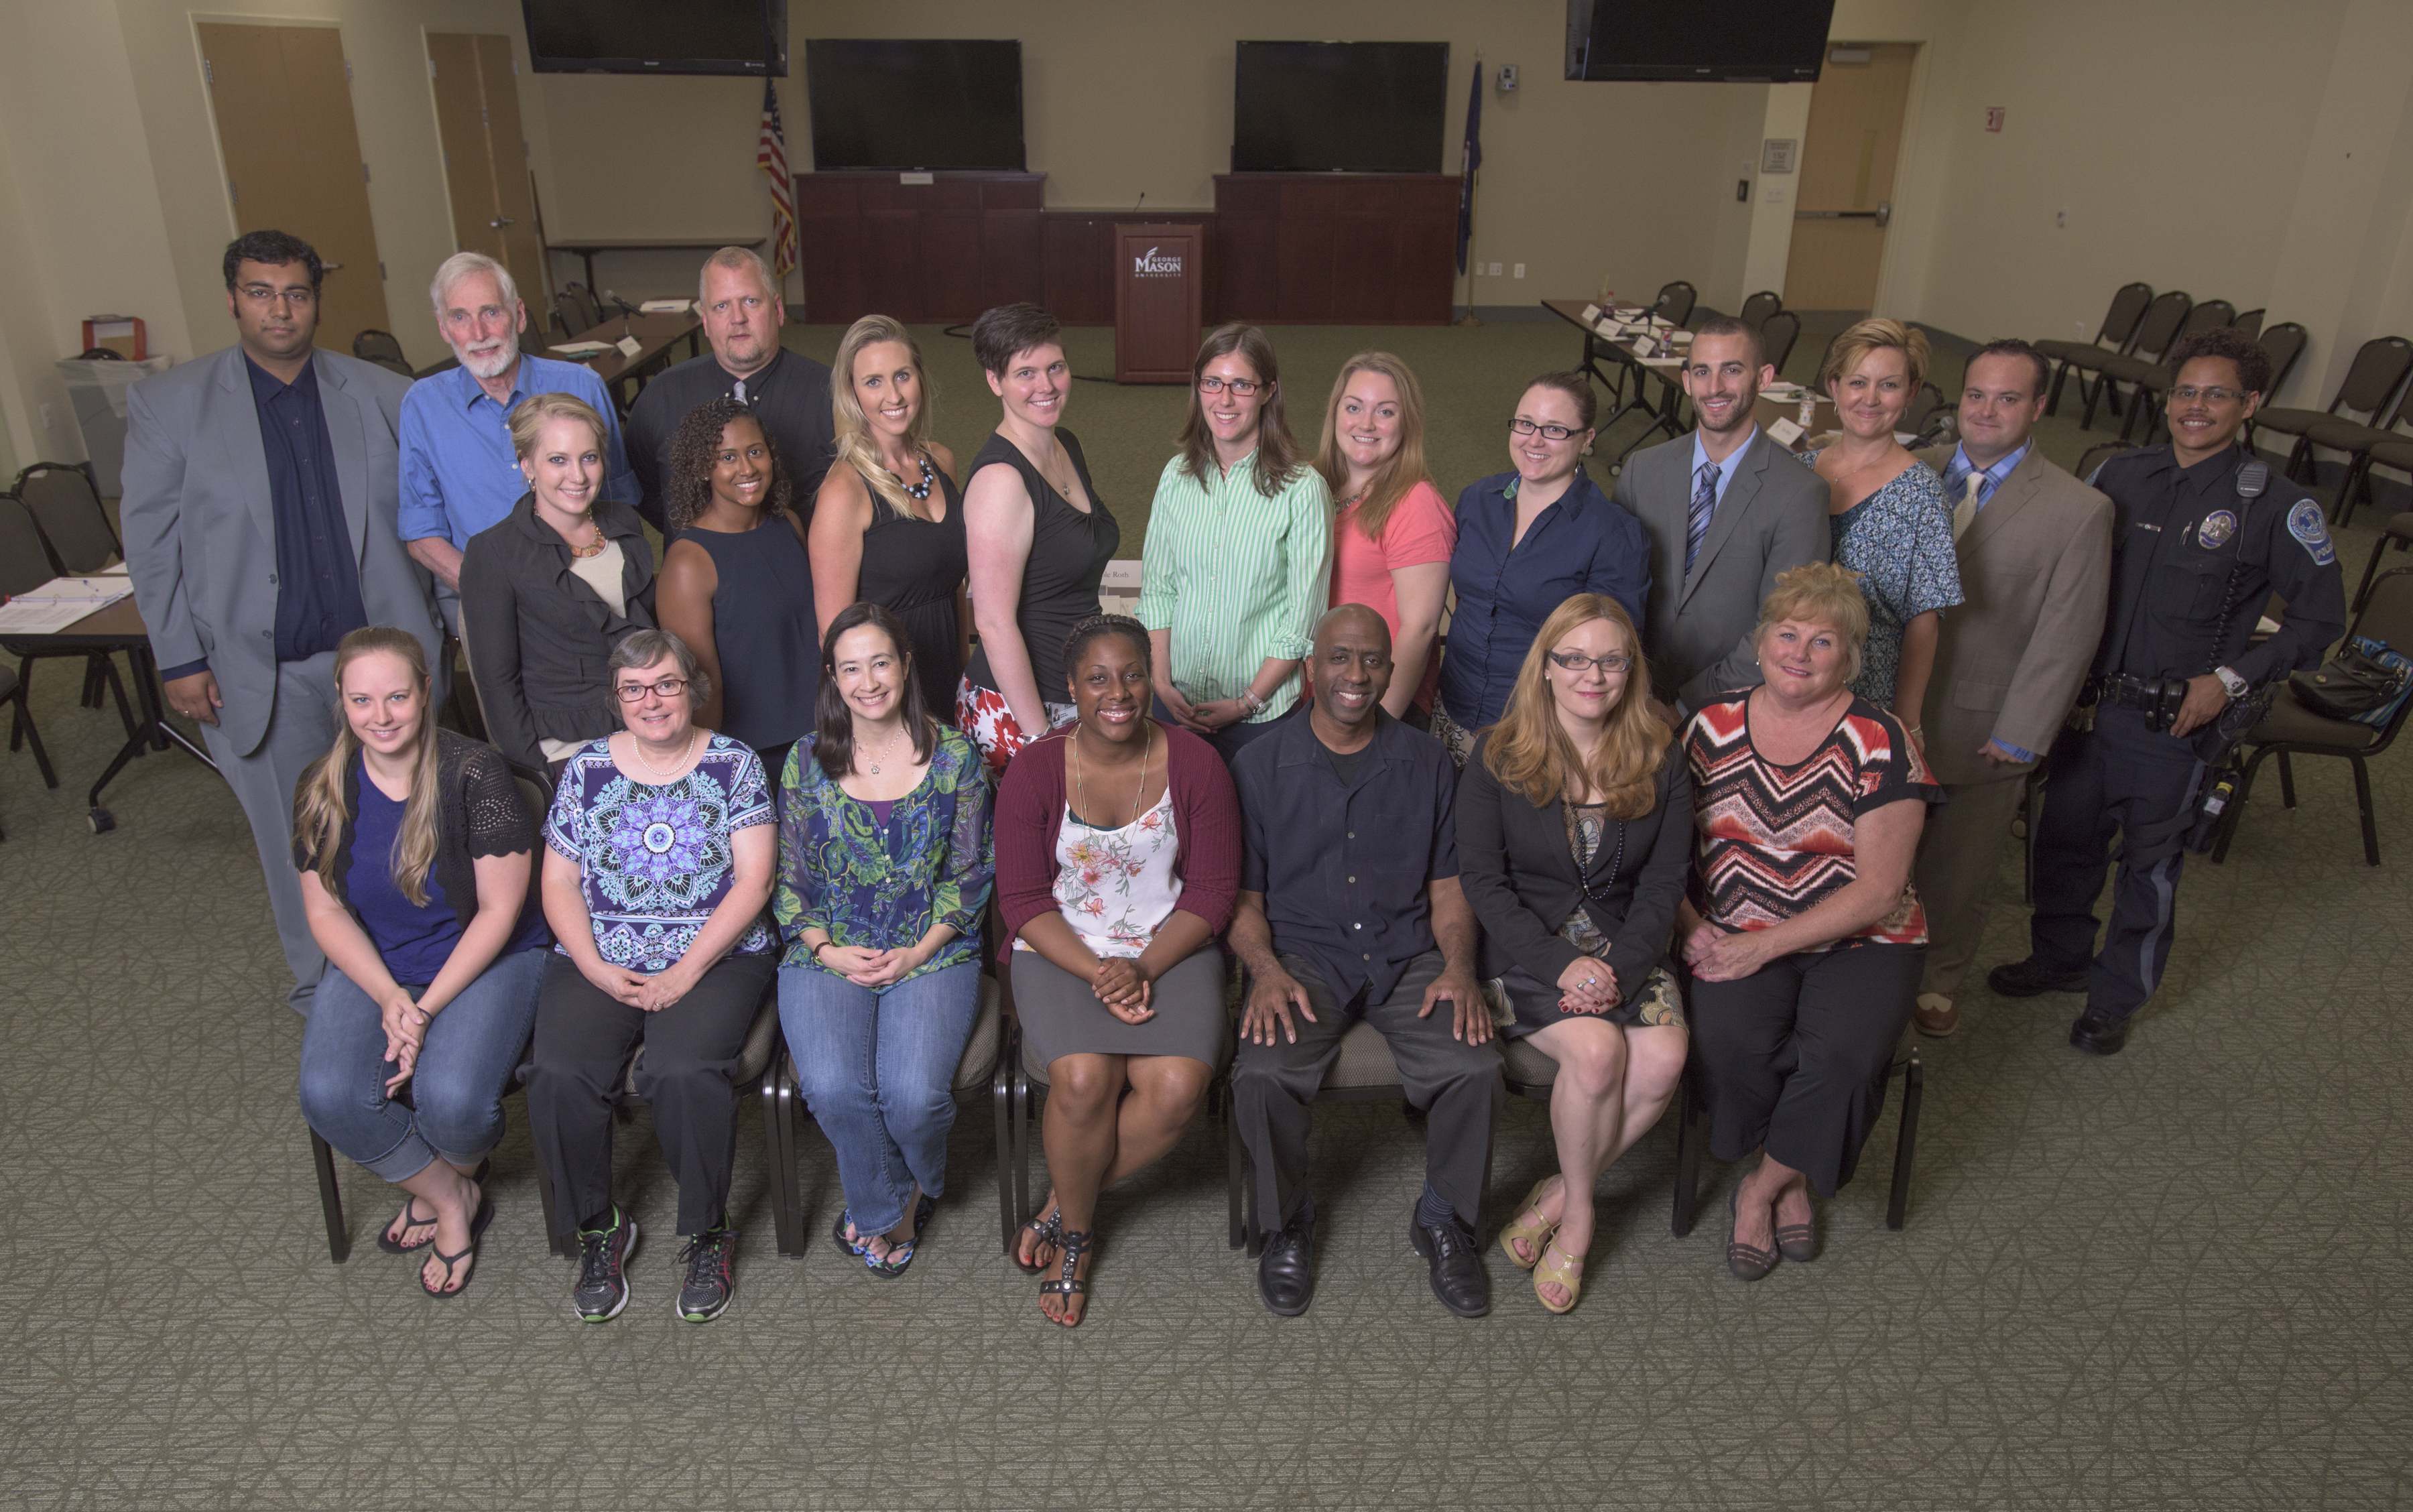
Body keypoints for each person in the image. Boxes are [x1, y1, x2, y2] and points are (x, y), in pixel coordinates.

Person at [1993, 327, 2347, 1056]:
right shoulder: (2121, 477)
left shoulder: (2273, 504)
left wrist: (2231, 679)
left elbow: (2319, 620)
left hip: (2174, 723)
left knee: (2147, 868)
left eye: (2217, 395)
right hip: (2090, 708)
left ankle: (2115, 997)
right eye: (2185, 391)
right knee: (2064, 842)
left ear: (2250, 404)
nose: (2196, 407)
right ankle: (2060, 959)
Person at [121, 229, 442, 1015]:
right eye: (261, 293)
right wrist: (177, 659)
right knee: (297, 845)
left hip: (382, 666)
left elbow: (432, 519)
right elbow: (151, 546)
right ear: (233, 299)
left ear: (316, 303)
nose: (280, 309)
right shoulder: (171, 406)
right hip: (256, 671)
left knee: (410, 828)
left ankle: (425, 980)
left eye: (295, 293)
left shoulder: (382, 394)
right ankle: (326, 996)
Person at [1227, 606, 1501, 1320]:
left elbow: (1449, 890)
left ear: (1392, 668)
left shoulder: (1427, 760)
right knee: (1261, 1074)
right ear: (1312, 666)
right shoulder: (1258, 766)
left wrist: (1458, 969)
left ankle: (1444, 1218)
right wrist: (1265, 971)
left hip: (1408, 951)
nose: (1357, 675)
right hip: (1303, 958)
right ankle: (1289, 1220)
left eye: (1373, 660)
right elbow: (1243, 900)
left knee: (1474, 1064)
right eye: (1341, 658)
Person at [1678, 564, 1940, 1281]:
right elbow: (1661, 847)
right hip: (1734, 927)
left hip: (1864, 940)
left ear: (1849, 658)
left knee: (1845, 1059)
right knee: (1729, 1045)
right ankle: (1794, 1162)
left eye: (1823, 641)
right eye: (1787, 634)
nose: (1799, 652)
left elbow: (1881, 890)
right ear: (1759, 643)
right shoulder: (1707, 727)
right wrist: (1690, 922)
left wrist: (1761, 947)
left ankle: (1766, 1187)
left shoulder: (1881, 739)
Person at [527, 629, 778, 1324]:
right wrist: (595, 966)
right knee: (557, 1073)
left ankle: (707, 1233)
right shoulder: (585, 770)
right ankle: (599, 1226)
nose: (652, 700)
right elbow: (558, 883)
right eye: (635, 689)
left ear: (691, 687)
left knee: (682, 1067)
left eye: (666, 684)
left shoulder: (734, 763)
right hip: (601, 950)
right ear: (616, 698)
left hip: (718, 953)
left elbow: (755, 882)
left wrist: (685, 969)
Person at [997, 615, 1241, 1326]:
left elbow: (1214, 892)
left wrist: (1141, 965)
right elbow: (1020, 899)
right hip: (1061, 950)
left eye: (1133, 674)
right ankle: (1078, 1238)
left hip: (1173, 946)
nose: (1119, 692)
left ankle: (1063, 1199)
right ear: (1072, 687)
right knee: (1082, 1078)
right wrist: (1103, 970)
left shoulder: (1196, 762)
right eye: (1098, 678)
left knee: (1175, 1088)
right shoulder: (1036, 768)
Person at [294, 627, 550, 1298]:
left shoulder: (476, 773)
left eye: (398, 697)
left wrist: (425, 1009)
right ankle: (452, 1195)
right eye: (362, 701)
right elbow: (324, 914)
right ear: (342, 703)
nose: (380, 717)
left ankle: (440, 1178)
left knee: (455, 1102)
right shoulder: (321, 786)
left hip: (486, 956)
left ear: (427, 692)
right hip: (381, 962)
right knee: (327, 1094)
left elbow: (498, 913)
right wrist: (389, 998)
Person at [1458, 594, 1692, 1313]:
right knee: (1597, 1054)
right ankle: (1583, 1218)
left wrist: (1617, 967)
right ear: (1548, 668)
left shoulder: (1660, 752)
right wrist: (1562, 965)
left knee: (1665, 1058)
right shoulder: (1498, 755)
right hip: (1524, 951)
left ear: (1631, 669)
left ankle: (1556, 1191)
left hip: (1625, 942)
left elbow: (1663, 884)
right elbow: (1484, 885)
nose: (1594, 674)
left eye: (1612, 659)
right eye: (1576, 658)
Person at [774, 605, 993, 1276]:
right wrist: (824, 948)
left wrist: (920, 951)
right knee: (835, 1087)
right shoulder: (806, 759)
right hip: (827, 951)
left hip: (932, 950)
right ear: (833, 679)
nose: (867, 681)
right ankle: (888, 1207)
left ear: (904, 666)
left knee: (913, 1094)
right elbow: (791, 879)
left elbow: (972, 875)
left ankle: (918, 1183)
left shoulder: (955, 755)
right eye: (850, 668)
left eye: (880, 662)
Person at [1906, 340, 2113, 1037]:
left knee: (1957, 869)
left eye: (2007, 398)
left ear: (2039, 408)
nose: (1986, 410)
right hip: (1889, 706)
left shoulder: (2077, 509)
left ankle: (1937, 978)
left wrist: (2023, 730)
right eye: (1975, 395)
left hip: (1984, 718)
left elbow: (2068, 632)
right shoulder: (1914, 470)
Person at [397, 251, 638, 635]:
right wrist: (495, 590)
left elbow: (620, 501)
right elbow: (421, 532)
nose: (479, 333)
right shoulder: (423, 406)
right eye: (460, 317)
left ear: (520, 315)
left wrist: (584, 582)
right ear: (444, 329)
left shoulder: (581, 386)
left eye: (491, 312)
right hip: (486, 601)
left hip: (590, 597)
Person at [1612, 316, 1829, 713]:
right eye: (1702, 372)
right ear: (1686, 380)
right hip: (1629, 695)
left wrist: (1684, 706)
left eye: (1731, 370)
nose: (1714, 388)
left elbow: (1783, 629)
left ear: (1763, 378)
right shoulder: (1641, 470)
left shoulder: (1800, 494)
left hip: (1731, 707)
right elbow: (1612, 588)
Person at [1136, 324, 1332, 763]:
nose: (1224, 400)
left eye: (1241, 385)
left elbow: (1301, 622)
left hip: (1259, 719)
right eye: (1212, 382)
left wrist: (1248, 702)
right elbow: (1159, 590)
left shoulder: (1302, 490)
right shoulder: (1177, 476)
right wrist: (1162, 684)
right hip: (1176, 706)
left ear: (1268, 392)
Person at [1436, 371, 1650, 763]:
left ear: (1587, 440)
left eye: (1554, 429)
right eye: (1525, 424)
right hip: (1454, 708)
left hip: (1540, 733)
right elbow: (1466, 599)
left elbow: (1612, 654)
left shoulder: (1612, 532)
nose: (1534, 440)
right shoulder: (1477, 500)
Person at [459, 392, 656, 775]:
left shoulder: (626, 523)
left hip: (648, 728)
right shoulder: (493, 552)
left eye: (589, 458)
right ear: (527, 465)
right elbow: (498, 684)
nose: (578, 476)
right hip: (566, 750)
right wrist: (538, 775)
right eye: (557, 460)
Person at [959, 303, 1121, 768]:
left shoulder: (1065, 442)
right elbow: (992, 622)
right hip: (1020, 711)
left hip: (1073, 694)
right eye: (1025, 373)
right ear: (995, 381)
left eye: (1056, 368)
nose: (1046, 386)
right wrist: (1041, 740)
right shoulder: (1001, 481)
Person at [1794, 318, 1963, 715]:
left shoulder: (1923, 494)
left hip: (1864, 694)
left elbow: (1924, 623)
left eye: (1888, 385)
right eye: (1857, 382)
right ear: (1834, 388)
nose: (1870, 399)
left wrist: (1908, 723)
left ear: (1910, 394)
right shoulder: (1798, 470)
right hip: (1787, 681)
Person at [809, 315, 966, 716]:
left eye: (902, 376)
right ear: (852, 394)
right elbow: (833, 635)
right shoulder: (844, 491)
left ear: (920, 379)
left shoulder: (942, 461)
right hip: (888, 699)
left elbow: (953, 587)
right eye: (873, 382)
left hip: (951, 674)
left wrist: (966, 672)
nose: (893, 395)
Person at [654, 396, 818, 775]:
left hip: (823, 733)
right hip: (754, 756)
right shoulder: (689, 562)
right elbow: (701, 689)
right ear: (702, 468)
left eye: (755, 451)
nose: (747, 468)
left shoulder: (789, 524)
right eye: (727, 457)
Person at [624, 247, 835, 530]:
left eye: (750, 301)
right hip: (695, 566)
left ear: (779, 310)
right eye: (721, 306)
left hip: (802, 565)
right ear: (706, 322)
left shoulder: (830, 394)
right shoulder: (661, 396)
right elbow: (643, 491)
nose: (738, 318)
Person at [1314, 353, 1455, 722]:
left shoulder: (1417, 503)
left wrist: (1377, 728)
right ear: (1335, 414)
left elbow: (1421, 629)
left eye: (1386, 412)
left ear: (1406, 423)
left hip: (1374, 700)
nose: (1367, 423)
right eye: (1354, 407)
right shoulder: (1311, 485)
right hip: (1318, 687)